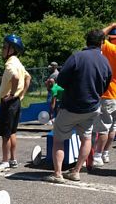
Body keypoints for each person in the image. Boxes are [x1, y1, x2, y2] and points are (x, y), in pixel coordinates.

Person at [44, 29, 111, 184]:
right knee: (86, 138)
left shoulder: (77, 57)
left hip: (71, 106)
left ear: (86, 41)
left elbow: (61, 81)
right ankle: (76, 171)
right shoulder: (105, 61)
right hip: (92, 108)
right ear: (101, 43)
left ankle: (58, 174)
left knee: (59, 139)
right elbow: (105, 86)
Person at [0, 34, 31, 172]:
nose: (2, 49)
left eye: (4, 47)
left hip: (8, 102)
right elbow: (28, 77)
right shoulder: (18, 62)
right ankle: (13, 159)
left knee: (5, 134)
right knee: (12, 132)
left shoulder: (10, 63)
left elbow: (14, 77)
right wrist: (21, 94)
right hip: (16, 102)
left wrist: (13, 93)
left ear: (11, 49)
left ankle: (4, 161)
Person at [93, 23, 116, 167]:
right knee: (113, 127)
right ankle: (106, 153)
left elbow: (97, 36)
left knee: (103, 127)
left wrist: (112, 24)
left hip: (107, 93)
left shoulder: (110, 48)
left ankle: (97, 155)